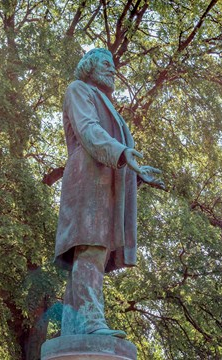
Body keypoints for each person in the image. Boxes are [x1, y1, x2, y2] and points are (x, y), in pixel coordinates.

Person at [54, 48, 163, 338]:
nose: (113, 70)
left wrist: (137, 170)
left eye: (114, 66)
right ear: (89, 67)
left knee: (93, 255)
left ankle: (75, 330)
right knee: (90, 249)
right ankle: (91, 323)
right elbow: (89, 130)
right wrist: (123, 153)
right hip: (87, 180)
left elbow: (112, 146)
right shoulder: (78, 90)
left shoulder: (107, 103)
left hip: (104, 183)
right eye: (106, 64)